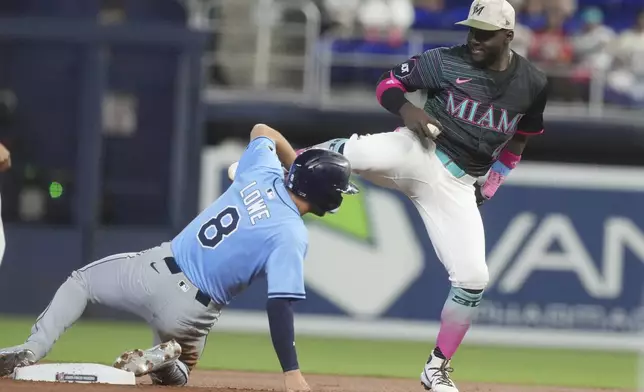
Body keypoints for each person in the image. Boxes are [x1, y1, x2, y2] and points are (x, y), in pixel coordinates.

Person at [295, 1, 549, 391]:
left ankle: (436, 369)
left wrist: (493, 182)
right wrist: (407, 112)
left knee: (473, 277)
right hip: (419, 151)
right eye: (472, 29)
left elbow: (517, 141)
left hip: (458, 185)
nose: (474, 38)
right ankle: (285, 165)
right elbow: (388, 83)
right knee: (357, 154)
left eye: (485, 32)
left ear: (508, 36)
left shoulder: (533, 83)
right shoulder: (446, 61)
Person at [0, 123, 359, 391]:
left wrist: (294, 160)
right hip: (192, 314)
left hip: (154, 271)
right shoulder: (291, 234)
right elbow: (280, 306)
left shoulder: (262, 171)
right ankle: (163, 361)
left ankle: (33, 347)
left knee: (81, 283)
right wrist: (291, 372)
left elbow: (262, 129)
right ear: (328, 198)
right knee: (182, 373)